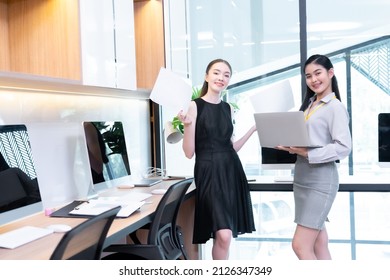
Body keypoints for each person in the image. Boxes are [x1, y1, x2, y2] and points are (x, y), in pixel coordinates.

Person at [177, 58, 257, 260]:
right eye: (216, 72)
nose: (221, 77)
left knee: (225, 236)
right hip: (209, 173)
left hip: (231, 172)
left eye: (226, 75)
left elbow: (231, 147)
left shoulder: (228, 108)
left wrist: (253, 129)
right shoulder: (194, 107)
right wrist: (187, 126)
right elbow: (189, 152)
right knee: (224, 234)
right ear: (206, 76)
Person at [276, 54, 352, 260]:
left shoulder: (335, 107)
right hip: (302, 177)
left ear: (330, 73)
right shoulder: (310, 105)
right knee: (318, 243)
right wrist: (290, 145)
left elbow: (344, 148)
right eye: (308, 76)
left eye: (317, 73)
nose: (313, 80)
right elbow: (310, 139)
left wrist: (308, 153)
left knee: (300, 245)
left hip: (321, 180)